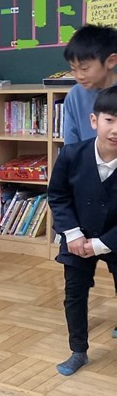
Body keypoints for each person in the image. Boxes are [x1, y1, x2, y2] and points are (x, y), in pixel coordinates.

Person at [48, 84, 117, 376]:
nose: (115, 129)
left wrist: (101, 244)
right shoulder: (71, 155)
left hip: (114, 238)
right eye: (109, 120)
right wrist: (73, 234)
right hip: (77, 236)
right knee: (74, 294)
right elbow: (58, 196)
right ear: (94, 120)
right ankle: (78, 350)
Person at [62, 24, 117, 144]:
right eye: (73, 69)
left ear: (111, 61)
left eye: (84, 68)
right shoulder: (75, 96)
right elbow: (71, 147)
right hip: (88, 156)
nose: (79, 76)